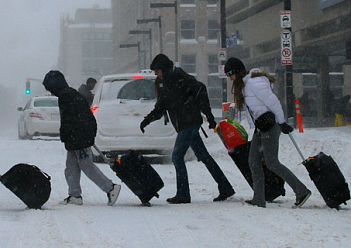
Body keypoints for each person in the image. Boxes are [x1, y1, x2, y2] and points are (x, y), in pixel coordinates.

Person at [139, 54, 235, 204]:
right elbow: (161, 107)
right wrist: (147, 120)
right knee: (204, 156)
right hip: (184, 123)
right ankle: (225, 187)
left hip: (190, 122)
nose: (155, 74)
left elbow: (201, 90)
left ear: (164, 69)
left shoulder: (180, 78)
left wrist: (209, 116)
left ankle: (183, 194)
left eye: (157, 70)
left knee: (177, 156)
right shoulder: (163, 83)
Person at [225, 57, 311, 209]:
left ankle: (301, 191)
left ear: (237, 72)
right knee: (253, 161)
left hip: (270, 125)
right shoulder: (244, 85)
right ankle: (259, 198)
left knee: (272, 162)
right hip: (261, 126)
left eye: (230, 74)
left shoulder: (254, 83)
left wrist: (282, 122)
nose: (230, 78)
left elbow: (273, 102)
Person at [42, 70, 121, 206]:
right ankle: (75, 195)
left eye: (50, 89)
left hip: (79, 137)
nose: (51, 93)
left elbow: (69, 120)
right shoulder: (70, 94)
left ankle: (111, 188)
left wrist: (68, 136)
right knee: (71, 167)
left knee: (87, 166)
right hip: (77, 136)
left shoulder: (66, 97)